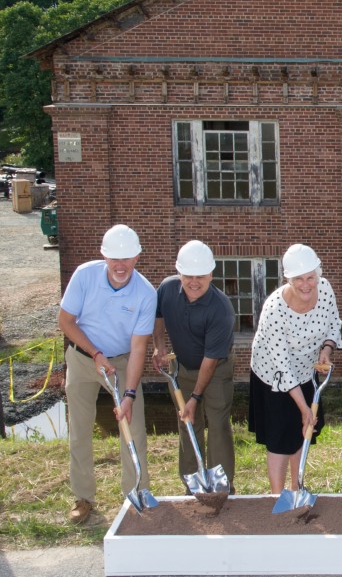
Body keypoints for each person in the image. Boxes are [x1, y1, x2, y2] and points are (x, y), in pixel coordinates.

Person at [58, 223, 157, 524]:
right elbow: (66, 322)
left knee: (133, 429)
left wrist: (128, 394)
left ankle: (136, 495)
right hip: (83, 359)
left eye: (127, 258)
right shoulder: (84, 276)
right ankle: (83, 497)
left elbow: (139, 348)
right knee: (80, 430)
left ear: (137, 258)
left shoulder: (145, 293)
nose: (120, 265)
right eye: (114, 258)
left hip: (123, 361)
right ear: (104, 256)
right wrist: (95, 353)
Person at [248, 244, 342, 495]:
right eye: (298, 279)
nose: (306, 284)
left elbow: (334, 323)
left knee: (303, 433)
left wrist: (326, 349)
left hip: (306, 369)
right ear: (287, 279)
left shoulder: (325, 289)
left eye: (311, 277)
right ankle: (278, 496)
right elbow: (283, 370)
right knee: (280, 436)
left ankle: (296, 488)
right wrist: (303, 408)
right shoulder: (274, 310)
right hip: (272, 374)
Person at [151, 240, 237, 493]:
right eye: (188, 276)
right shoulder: (167, 289)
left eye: (201, 276)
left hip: (216, 369)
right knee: (188, 422)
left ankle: (222, 485)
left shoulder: (221, 309)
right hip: (183, 366)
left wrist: (195, 397)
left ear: (211, 274)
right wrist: (159, 345)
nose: (194, 282)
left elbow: (210, 362)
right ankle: (192, 483)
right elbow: (158, 315)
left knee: (218, 423)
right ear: (179, 273)